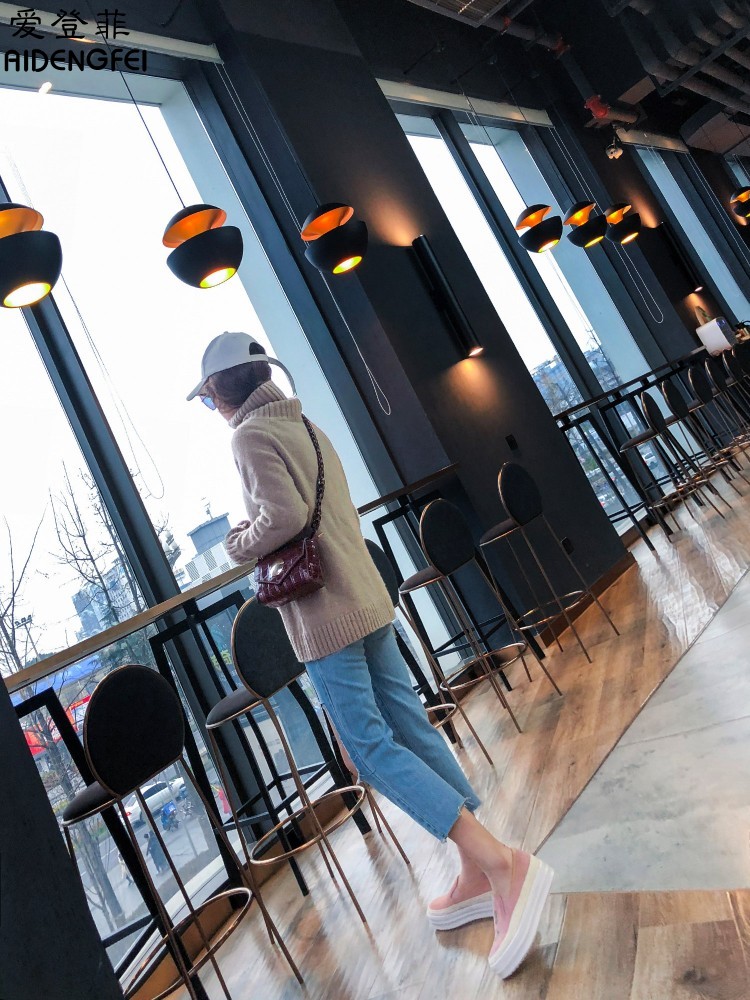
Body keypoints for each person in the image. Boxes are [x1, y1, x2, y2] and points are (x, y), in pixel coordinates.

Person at [188, 331, 554, 980]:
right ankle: (474, 869)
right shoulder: (306, 424)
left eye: (209, 396)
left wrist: (238, 543)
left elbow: (283, 517)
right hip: (366, 596)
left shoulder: (248, 437)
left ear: (222, 391)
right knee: (410, 726)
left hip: (325, 616)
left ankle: (502, 865)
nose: (211, 408)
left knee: (370, 751)